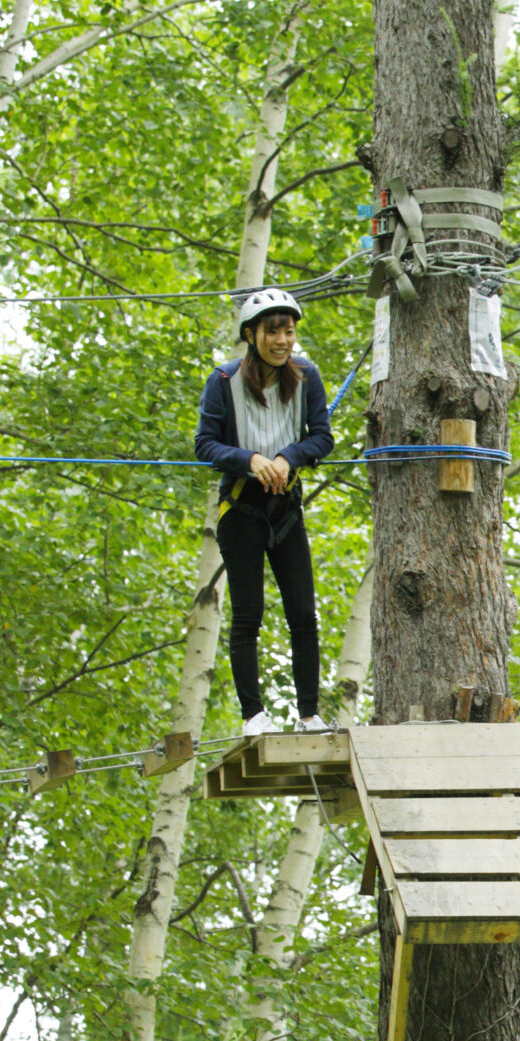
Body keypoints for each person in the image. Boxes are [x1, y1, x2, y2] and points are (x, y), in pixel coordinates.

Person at [196, 286, 335, 736]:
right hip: (240, 509)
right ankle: (253, 715)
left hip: (286, 509)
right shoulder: (223, 381)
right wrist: (250, 460)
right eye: (273, 332)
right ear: (251, 334)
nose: (283, 340)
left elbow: (323, 438)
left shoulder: (306, 376)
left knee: (302, 613)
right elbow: (205, 443)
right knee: (248, 614)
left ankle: (309, 714)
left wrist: (287, 457)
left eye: (289, 331)